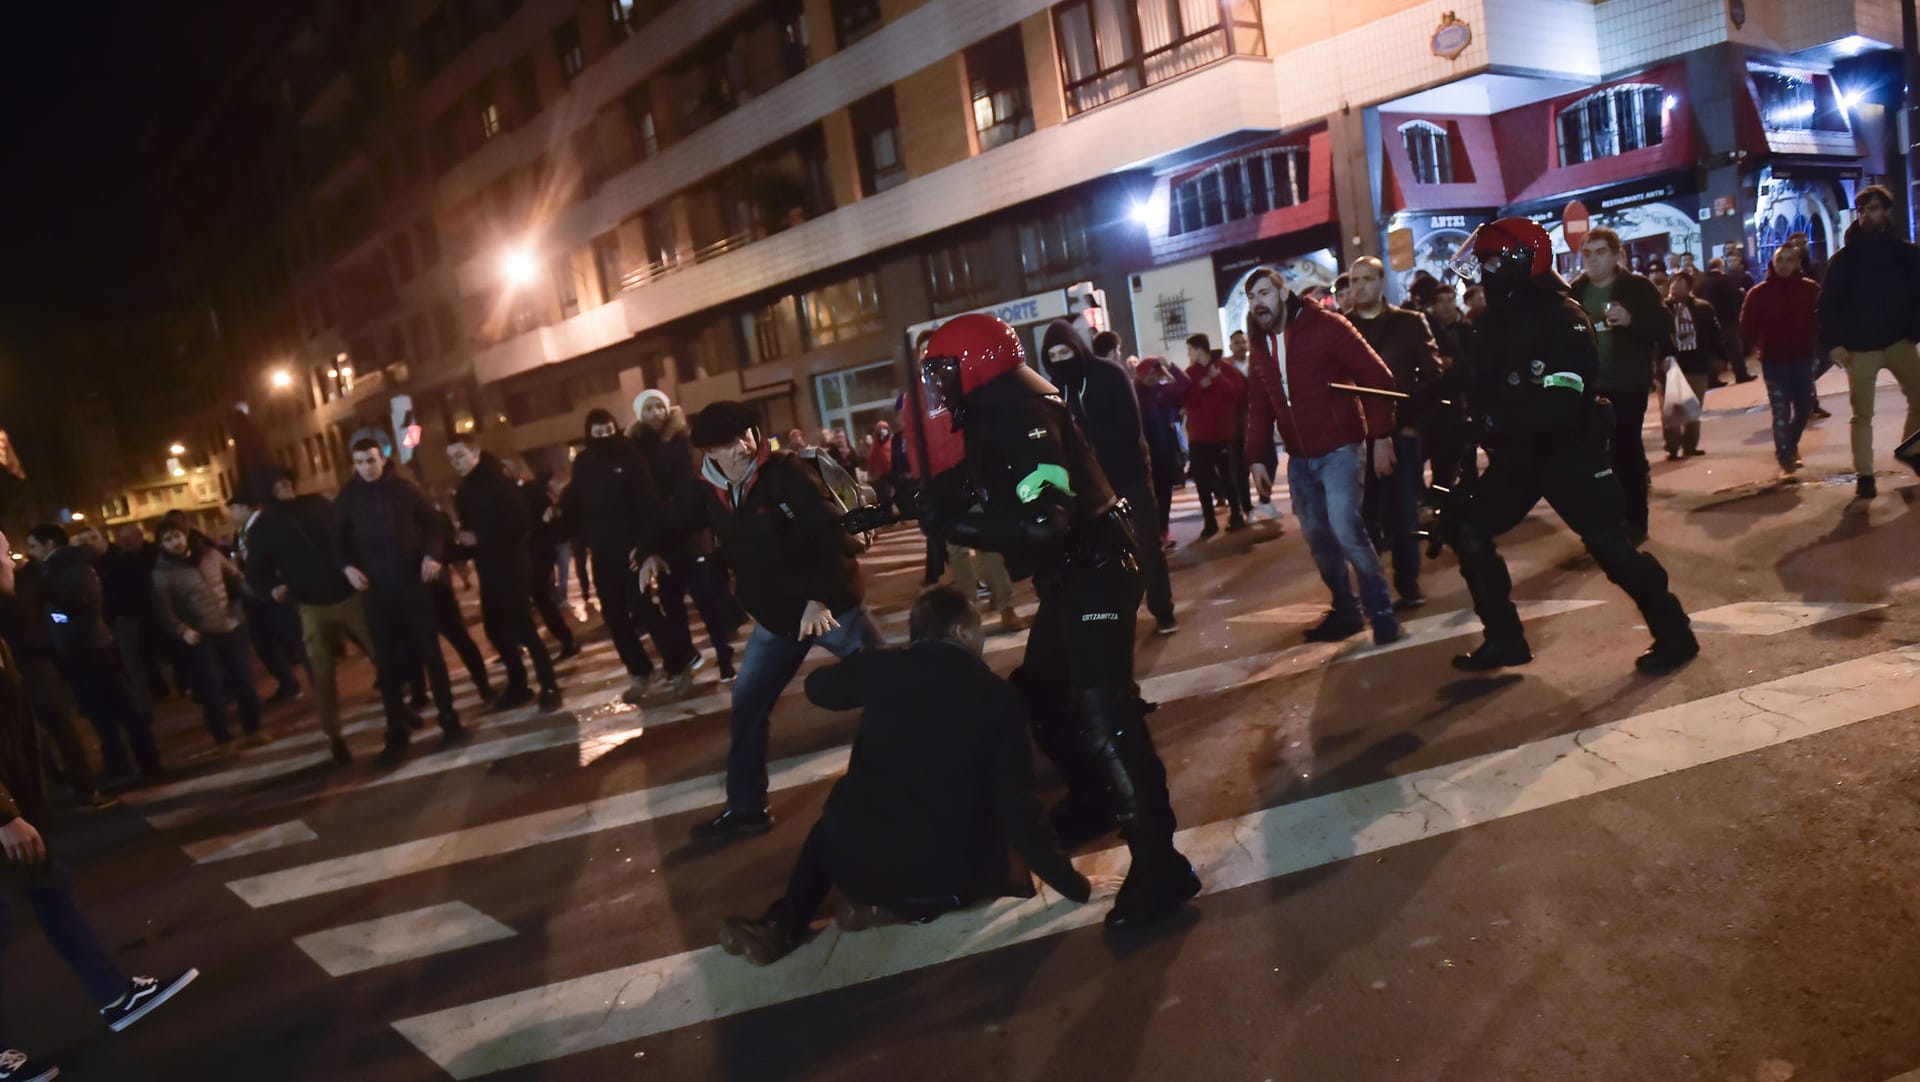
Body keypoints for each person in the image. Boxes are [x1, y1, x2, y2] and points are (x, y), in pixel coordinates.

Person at [898, 313, 1199, 929]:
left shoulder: (1019, 409)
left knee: (1105, 712)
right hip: (1076, 571)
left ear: (974, 364)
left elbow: (1043, 518)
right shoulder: (1002, 403)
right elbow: (991, 475)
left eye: (944, 370)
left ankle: (1160, 861)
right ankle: (1094, 798)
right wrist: (906, 503)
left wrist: (953, 525)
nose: (938, 384)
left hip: (1095, 568)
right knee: (1042, 689)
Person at [716, 586, 1103, 965]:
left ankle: (785, 924)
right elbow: (1019, 809)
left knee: (832, 821)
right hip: (950, 883)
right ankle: (893, 907)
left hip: (859, 870)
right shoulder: (997, 697)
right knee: (991, 811)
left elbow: (818, 688)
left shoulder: (881, 669)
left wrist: (866, 667)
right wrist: (1071, 884)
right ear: (962, 633)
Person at [1441, 217, 1697, 675]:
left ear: (1521, 262)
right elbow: (1478, 379)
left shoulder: (1563, 318)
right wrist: (1435, 403)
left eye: (1493, 261)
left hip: (1567, 454)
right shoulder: (1494, 321)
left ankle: (1674, 633)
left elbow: (1560, 400)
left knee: (1611, 548)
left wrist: (1498, 423)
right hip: (1518, 458)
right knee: (1469, 530)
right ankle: (1504, 639)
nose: (1485, 272)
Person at [0, 530, 198, 1082]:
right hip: (5, 814)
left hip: (19, 808)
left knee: (52, 893)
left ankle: (114, 996)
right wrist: (4, 815)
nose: (9, 558)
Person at [641, 401, 880, 843]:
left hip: (832, 610)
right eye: (729, 444)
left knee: (891, 685)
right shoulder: (707, 490)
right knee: (748, 708)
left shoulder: (785, 474)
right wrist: (651, 550)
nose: (744, 447)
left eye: (747, 435)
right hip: (775, 620)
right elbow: (670, 520)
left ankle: (929, 772)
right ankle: (747, 809)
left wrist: (818, 598)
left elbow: (831, 537)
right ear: (710, 452)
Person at [1243, 268, 1404, 646]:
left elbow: (1378, 377)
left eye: (1264, 293)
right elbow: (1260, 402)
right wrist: (1256, 456)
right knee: (1318, 539)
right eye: (1252, 298)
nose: (1258, 303)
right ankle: (1346, 613)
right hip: (1299, 458)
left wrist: (1382, 436)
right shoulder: (1259, 342)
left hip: (1340, 449)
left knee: (1347, 530)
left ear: (1283, 294)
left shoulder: (1326, 326)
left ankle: (1381, 612)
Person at [332, 438, 466, 762]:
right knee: (387, 664)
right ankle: (396, 731)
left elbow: (435, 524)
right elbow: (337, 540)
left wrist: (433, 555)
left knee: (430, 652)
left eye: (372, 460)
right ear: (355, 464)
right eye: (361, 462)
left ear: (382, 459)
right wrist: (346, 566)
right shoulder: (348, 498)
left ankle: (449, 718)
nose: (367, 467)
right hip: (377, 591)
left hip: (411, 583)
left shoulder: (405, 490)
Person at [1043, 322, 1178, 634]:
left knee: (1147, 546)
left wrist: (1090, 443)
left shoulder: (1109, 375)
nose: (1062, 359)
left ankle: (1163, 610)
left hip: (1128, 474)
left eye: (1066, 351)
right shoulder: (1056, 389)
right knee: (1106, 557)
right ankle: (1119, 617)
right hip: (1090, 488)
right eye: (1054, 355)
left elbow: (1130, 427)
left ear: (1077, 348)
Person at [564, 409, 698, 701]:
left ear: (616, 428)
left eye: (608, 430)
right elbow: (575, 500)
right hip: (600, 552)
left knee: (643, 609)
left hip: (632, 550)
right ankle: (639, 671)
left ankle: (678, 666)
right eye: (597, 433)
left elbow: (648, 502)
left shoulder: (630, 456)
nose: (603, 438)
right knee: (614, 616)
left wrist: (647, 545)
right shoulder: (584, 462)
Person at [243, 470, 369, 766]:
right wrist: (272, 589)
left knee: (382, 654)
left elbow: (347, 535)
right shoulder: (263, 528)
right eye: (278, 482)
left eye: (288, 480)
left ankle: (398, 711)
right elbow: (255, 572)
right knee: (322, 674)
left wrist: (356, 566)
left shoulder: (317, 505)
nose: (286, 484)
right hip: (310, 605)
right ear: (267, 490)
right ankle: (334, 736)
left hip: (347, 594)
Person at [22, 525, 162, 785]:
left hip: (93, 649)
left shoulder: (72, 567)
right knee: (100, 713)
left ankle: (146, 760)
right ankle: (119, 761)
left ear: (49, 543)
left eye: (33, 546)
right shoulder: (54, 569)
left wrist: (54, 614)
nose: (30, 553)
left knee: (121, 708)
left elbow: (83, 607)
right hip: (79, 651)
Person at [1344, 256, 1444, 609]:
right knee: (1362, 516)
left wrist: (1414, 424)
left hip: (1401, 431)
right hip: (1357, 438)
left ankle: (1409, 582)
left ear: (1381, 282)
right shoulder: (1343, 328)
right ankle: (1373, 588)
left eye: (1366, 279)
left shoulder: (1410, 323)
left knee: (1403, 512)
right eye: (1354, 280)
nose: (1359, 287)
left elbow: (1433, 376)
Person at [1817, 184, 1920, 499]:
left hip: (1898, 341)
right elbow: (1827, 304)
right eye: (1861, 210)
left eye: (1873, 208)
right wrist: (1834, 343)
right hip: (1860, 348)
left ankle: (1910, 449)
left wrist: (1914, 330)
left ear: (1887, 212)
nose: (1865, 215)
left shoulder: (1906, 253)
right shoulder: (1845, 259)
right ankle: (1865, 476)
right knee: (1862, 414)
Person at [447, 436, 563, 715]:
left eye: (460, 456)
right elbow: (471, 534)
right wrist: (454, 549)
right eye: (451, 459)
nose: (456, 463)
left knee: (524, 628)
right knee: (495, 630)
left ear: (474, 452)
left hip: (511, 565)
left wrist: (479, 537)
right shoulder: (464, 489)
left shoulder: (495, 480)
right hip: (489, 568)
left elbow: (521, 521)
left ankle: (549, 686)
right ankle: (518, 684)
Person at [1569, 228, 1672, 542]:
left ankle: (1635, 522)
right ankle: (1604, 522)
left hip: (1627, 385)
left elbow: (1664, 325)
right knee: (1593, 458)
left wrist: (1631, 321)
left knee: (1626, 452)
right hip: (1589, 388)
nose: (1594, 260)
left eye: (1601, 253)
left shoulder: (1636, 287)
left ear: (1616, 256)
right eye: (1588, 254)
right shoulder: (1576, 291)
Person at [632, 389, 741, 681]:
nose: (655, 413)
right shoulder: (636, 448)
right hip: (661, 538)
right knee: (671, 603)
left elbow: (691, 486)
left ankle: (724, 656)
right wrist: (647, 543)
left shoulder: (683, 440)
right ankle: (688, 654)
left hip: (689, 533)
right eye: (648, 409)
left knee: (707, 601)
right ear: (640, 415)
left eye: (659, 407)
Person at [151, 522, 266, 753]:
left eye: (176, 536)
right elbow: (164, 610)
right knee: (212, 689)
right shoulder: (162, 574)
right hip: (201, 635)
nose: (175, 542)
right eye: (167, 539)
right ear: (161, 545)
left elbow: (235, 579)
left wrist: (253, 596)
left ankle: (253, 730)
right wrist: (183, 630)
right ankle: (223, 738)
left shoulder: (211, 556)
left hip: (230, 625)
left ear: (185, 535)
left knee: (244, 681)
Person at [1740, 244, 1823, 482]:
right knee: (1781, 410)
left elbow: (1822, 318)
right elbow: (1746, 326)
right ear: (1772, 264)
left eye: (1789, 260)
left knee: (1803, 408)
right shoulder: (1759, 293)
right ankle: (1784, 457)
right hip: (1774, 362)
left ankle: (1791, 444)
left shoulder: (1810, 290)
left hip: (1802, 358)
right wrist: (1759, 343)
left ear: (1797, 263)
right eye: (1780, 260)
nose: (1784, 265)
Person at [228, 498, 308, 708]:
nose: (232, 514)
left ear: (246, 506)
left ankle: (319, 680)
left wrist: (282, 583)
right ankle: (288, 684)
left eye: (234, 509)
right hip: (253, 596)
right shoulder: (240, 532)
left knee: (297, 638)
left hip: (275, 592)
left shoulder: (266, 526)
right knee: (265, 646)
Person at [1181, 333, 1250, 537]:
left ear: (1200, 350)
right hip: (1198, 437)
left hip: (1222, 434)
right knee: (1202, 480)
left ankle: (1236, 515)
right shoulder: (1190, 373)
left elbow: (1237, 394)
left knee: (1228, 476)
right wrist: (1202, 386)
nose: (1189, 354)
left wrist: (1217, 378)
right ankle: (1209, 521)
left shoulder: (1224, 368)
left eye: (1191, 350)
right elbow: (1185, 403)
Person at [98, 525, 169, 713]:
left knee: (142, 658)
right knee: (140, 659)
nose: (125, 542)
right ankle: (154, 693)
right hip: (128, 616)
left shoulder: (138, 558)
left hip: (139, 613)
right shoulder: (118, 561)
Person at [1660, 272, 1723, 460]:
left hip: (1696, 362)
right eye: (1673, 282)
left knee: (1693, 407)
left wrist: (1719, 356)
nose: (1676, 286)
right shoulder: (1662, 309)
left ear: (1689, 287)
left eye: (1680, 283)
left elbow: (1714, 334)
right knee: (1670, 408)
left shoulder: (1703, 308)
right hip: (1670, 363)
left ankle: (1690, 444)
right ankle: (1672, 446)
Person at [519, 469, 579, 658]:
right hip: (537, 551)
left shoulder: (528, 492)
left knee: (541, 596)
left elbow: (543, 519)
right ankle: (561, 640)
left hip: (538, 551)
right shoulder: (525, 492)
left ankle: (563, 640)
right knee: (541, 596)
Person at [1134, 356, 1189, 548]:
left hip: (1165, 451)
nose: (1152, 376)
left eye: (1155, 372)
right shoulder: (1135, 393)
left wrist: (1170, 366)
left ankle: (1163, 529)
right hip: (1146, 454)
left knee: (1164, 494)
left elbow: (1184, 385)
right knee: (1149, 496)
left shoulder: (1162, 391)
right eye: (1149, 372)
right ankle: (1150, 533)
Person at [1697, 252, 1756, 383]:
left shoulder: (1701, 283)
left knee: (1711, 352)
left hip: (1708, 322)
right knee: (1734, 350)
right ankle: (1741, 374)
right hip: (1727, 321)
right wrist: (1740, 293)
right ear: (1720, 266)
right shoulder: (1725, 280)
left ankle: (1713, 380)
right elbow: (1734, 296)